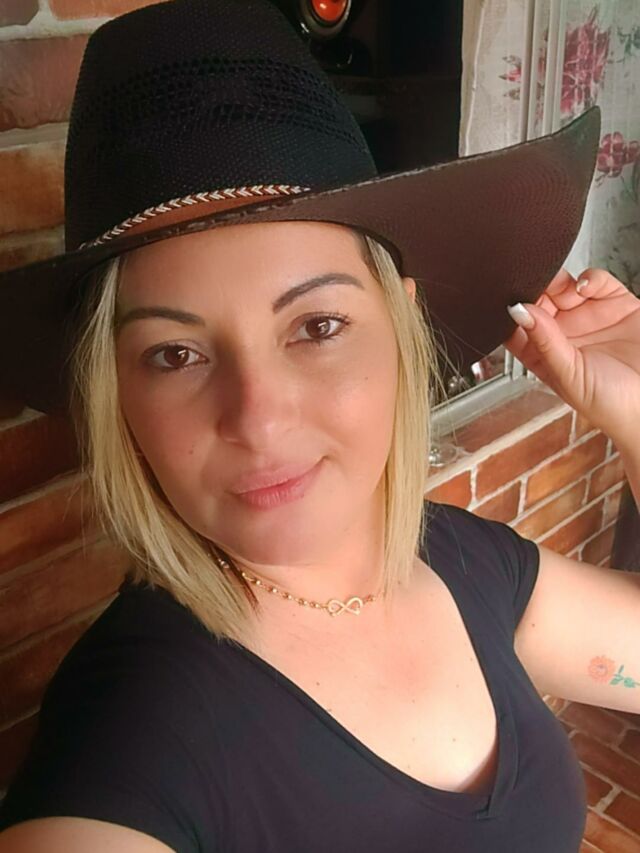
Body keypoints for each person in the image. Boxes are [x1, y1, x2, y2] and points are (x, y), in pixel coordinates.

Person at [0, 0, 638, 851]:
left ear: (399, 322)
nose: (259, 419)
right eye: (175, 354)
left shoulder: (457, 557)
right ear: (115, 390)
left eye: (317, 325)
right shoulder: (130, 735)